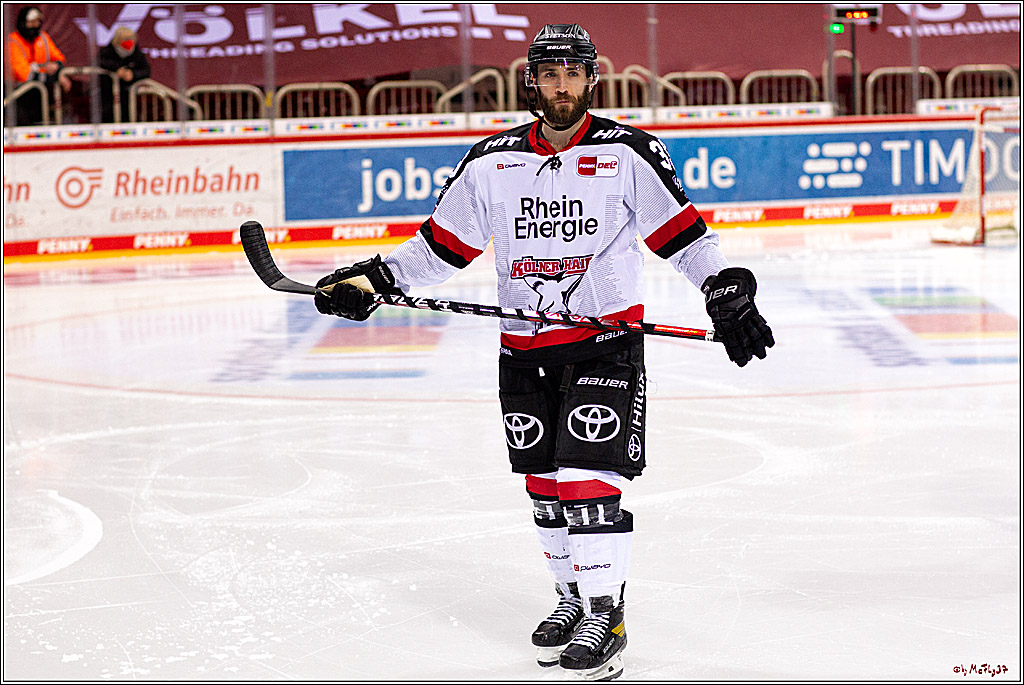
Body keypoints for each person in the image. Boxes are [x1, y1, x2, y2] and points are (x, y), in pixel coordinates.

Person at [314, 23, 773, 681]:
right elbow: (438, 250)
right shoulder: (490, 160)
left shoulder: (627, 152)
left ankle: (604, 613)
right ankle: (570, 595)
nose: (561, 86)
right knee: (545, 489)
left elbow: (688, 239)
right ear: (532, 79)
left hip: (604, 344)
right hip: (523, 349)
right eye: (549, 73)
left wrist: (725, 288)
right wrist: (374, 279)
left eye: (572, 72)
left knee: (587, 482)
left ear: (592, 77)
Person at [6, 5, 70, 125]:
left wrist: (56, 67)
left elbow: (59, 58)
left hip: (41, 93)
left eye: (37, 22)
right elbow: (24, 75)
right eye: (31, 22)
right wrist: (54, 76)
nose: (35, 26)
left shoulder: (43, 38)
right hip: (17, 94)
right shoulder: (13, 42)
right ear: (23, 23)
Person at [97, 26, 150, 123]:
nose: (129, 42)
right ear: (117, 40)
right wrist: (117, 69)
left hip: (129, 95)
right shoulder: (106, 52)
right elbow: (101, 62)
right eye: (125, 39)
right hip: (108, 94)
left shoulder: (137, 54)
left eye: (132, 39)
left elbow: (146, 70)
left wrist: (132, 74)